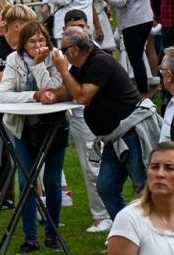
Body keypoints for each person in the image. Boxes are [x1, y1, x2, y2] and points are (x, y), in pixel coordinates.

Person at [50, 27, 157, 220]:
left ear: (74, 50)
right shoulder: (81, 66)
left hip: (130, 131)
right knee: (106, 187)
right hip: (113, 135)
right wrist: (46, 95)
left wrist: (63, 70)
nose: (61, 53)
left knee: (143, 187)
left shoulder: (99, 62)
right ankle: (126, 233)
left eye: (63, 49)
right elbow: (69, 91)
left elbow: (83, 97)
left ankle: (155, 238)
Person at [0, 21, 70, 248]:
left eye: (41, 40)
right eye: (32, 41)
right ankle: (30, 238)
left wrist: (39, 66)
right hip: (23, 127)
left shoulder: (57, 58)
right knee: (26, 180)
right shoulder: (13, 60)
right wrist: (33, 96)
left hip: (54, 126)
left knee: (52, 180)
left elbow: (54, 91)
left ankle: (52, 233)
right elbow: (4, 96)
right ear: (23, 44)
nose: (38, 45)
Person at [102, 0, 155, 94]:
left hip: (134, 23)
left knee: (135, 58)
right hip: (145, 20)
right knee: (138, 56)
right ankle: (143, 87)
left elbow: (120, 2)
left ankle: (143, 91)